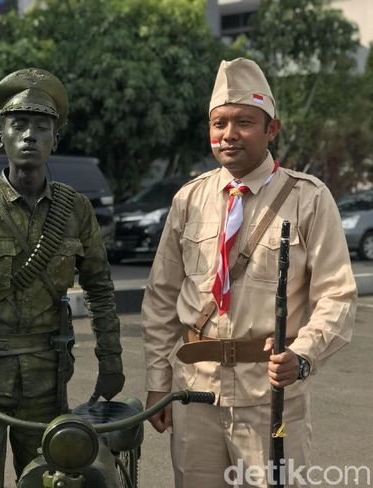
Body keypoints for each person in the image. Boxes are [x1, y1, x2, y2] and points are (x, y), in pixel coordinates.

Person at [141, 58, 356, 488]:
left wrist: (305, 355)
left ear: (271, 129)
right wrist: (157, 382)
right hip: (195, 395)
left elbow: (337, 295)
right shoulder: (189, 199)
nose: (229, 134)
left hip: (270, 398)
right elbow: (162, 296)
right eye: (219, 123)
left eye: (244, 122)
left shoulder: (308, 199)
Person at [0, 67, 125, 488]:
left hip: (46, 376)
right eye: (18, 125)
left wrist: (112, 359)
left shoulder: (75, 210)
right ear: (1, 137)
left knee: (51, 481)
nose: (30, 135)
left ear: (56, 138)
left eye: (42, 126)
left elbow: (101, 291)